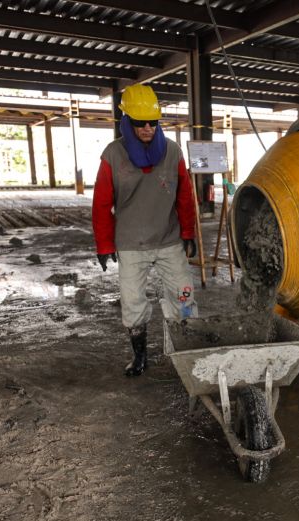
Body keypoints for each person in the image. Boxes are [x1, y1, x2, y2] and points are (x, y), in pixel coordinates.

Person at [92, 84, 198, 377]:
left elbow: (185, 197)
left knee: (184, 296)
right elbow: (101, 204)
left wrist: (188, 231)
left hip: (168, 240)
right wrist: (104, 244)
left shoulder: (173, 152)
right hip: (130, 243)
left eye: (153, 122)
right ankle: (140, 356)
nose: (148, 128)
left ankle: (186, 348)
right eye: (140, 123)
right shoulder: (112, 155)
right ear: (127, 121)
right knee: (133, 302)